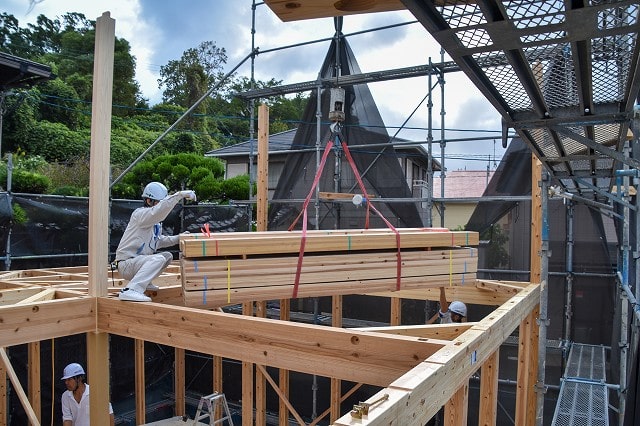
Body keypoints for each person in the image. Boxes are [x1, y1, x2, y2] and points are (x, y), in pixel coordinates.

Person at [115, 181, 197, 302]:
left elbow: (158, 241)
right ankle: (132, 290)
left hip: (136, 264)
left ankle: (145, 282)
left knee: (167, 256)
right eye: (159, 202)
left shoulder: (154, 223)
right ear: (149, 201)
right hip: (126, 264)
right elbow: (158, 212)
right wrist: (179, 195)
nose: (161, 206)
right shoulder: (140, 215)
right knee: (157, 259)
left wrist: (179, 238)